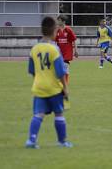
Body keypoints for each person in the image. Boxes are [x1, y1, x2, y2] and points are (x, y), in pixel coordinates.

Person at [25, 16, 73, 149]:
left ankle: (31, 140)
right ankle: (62, 141)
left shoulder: (34, 49)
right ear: (54, 31)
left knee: (38, 114)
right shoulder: (54, 49)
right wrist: (65, 88)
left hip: (39, 87)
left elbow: (32, 71)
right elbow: (60, 72)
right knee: (59, 114)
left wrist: (39, 80)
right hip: (54, 88)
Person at [55, 15, 78, 84]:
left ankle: (65, 82)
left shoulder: (68, 30)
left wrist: (76, 51)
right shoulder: (57, 30)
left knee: (65, 66)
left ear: (63, 21)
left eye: (59, 20)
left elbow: (74, 40)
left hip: (67, 52)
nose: (58, 22)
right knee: (60, 67)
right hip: (59, 52)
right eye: (57, 20)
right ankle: (61, 81)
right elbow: (55, 41)